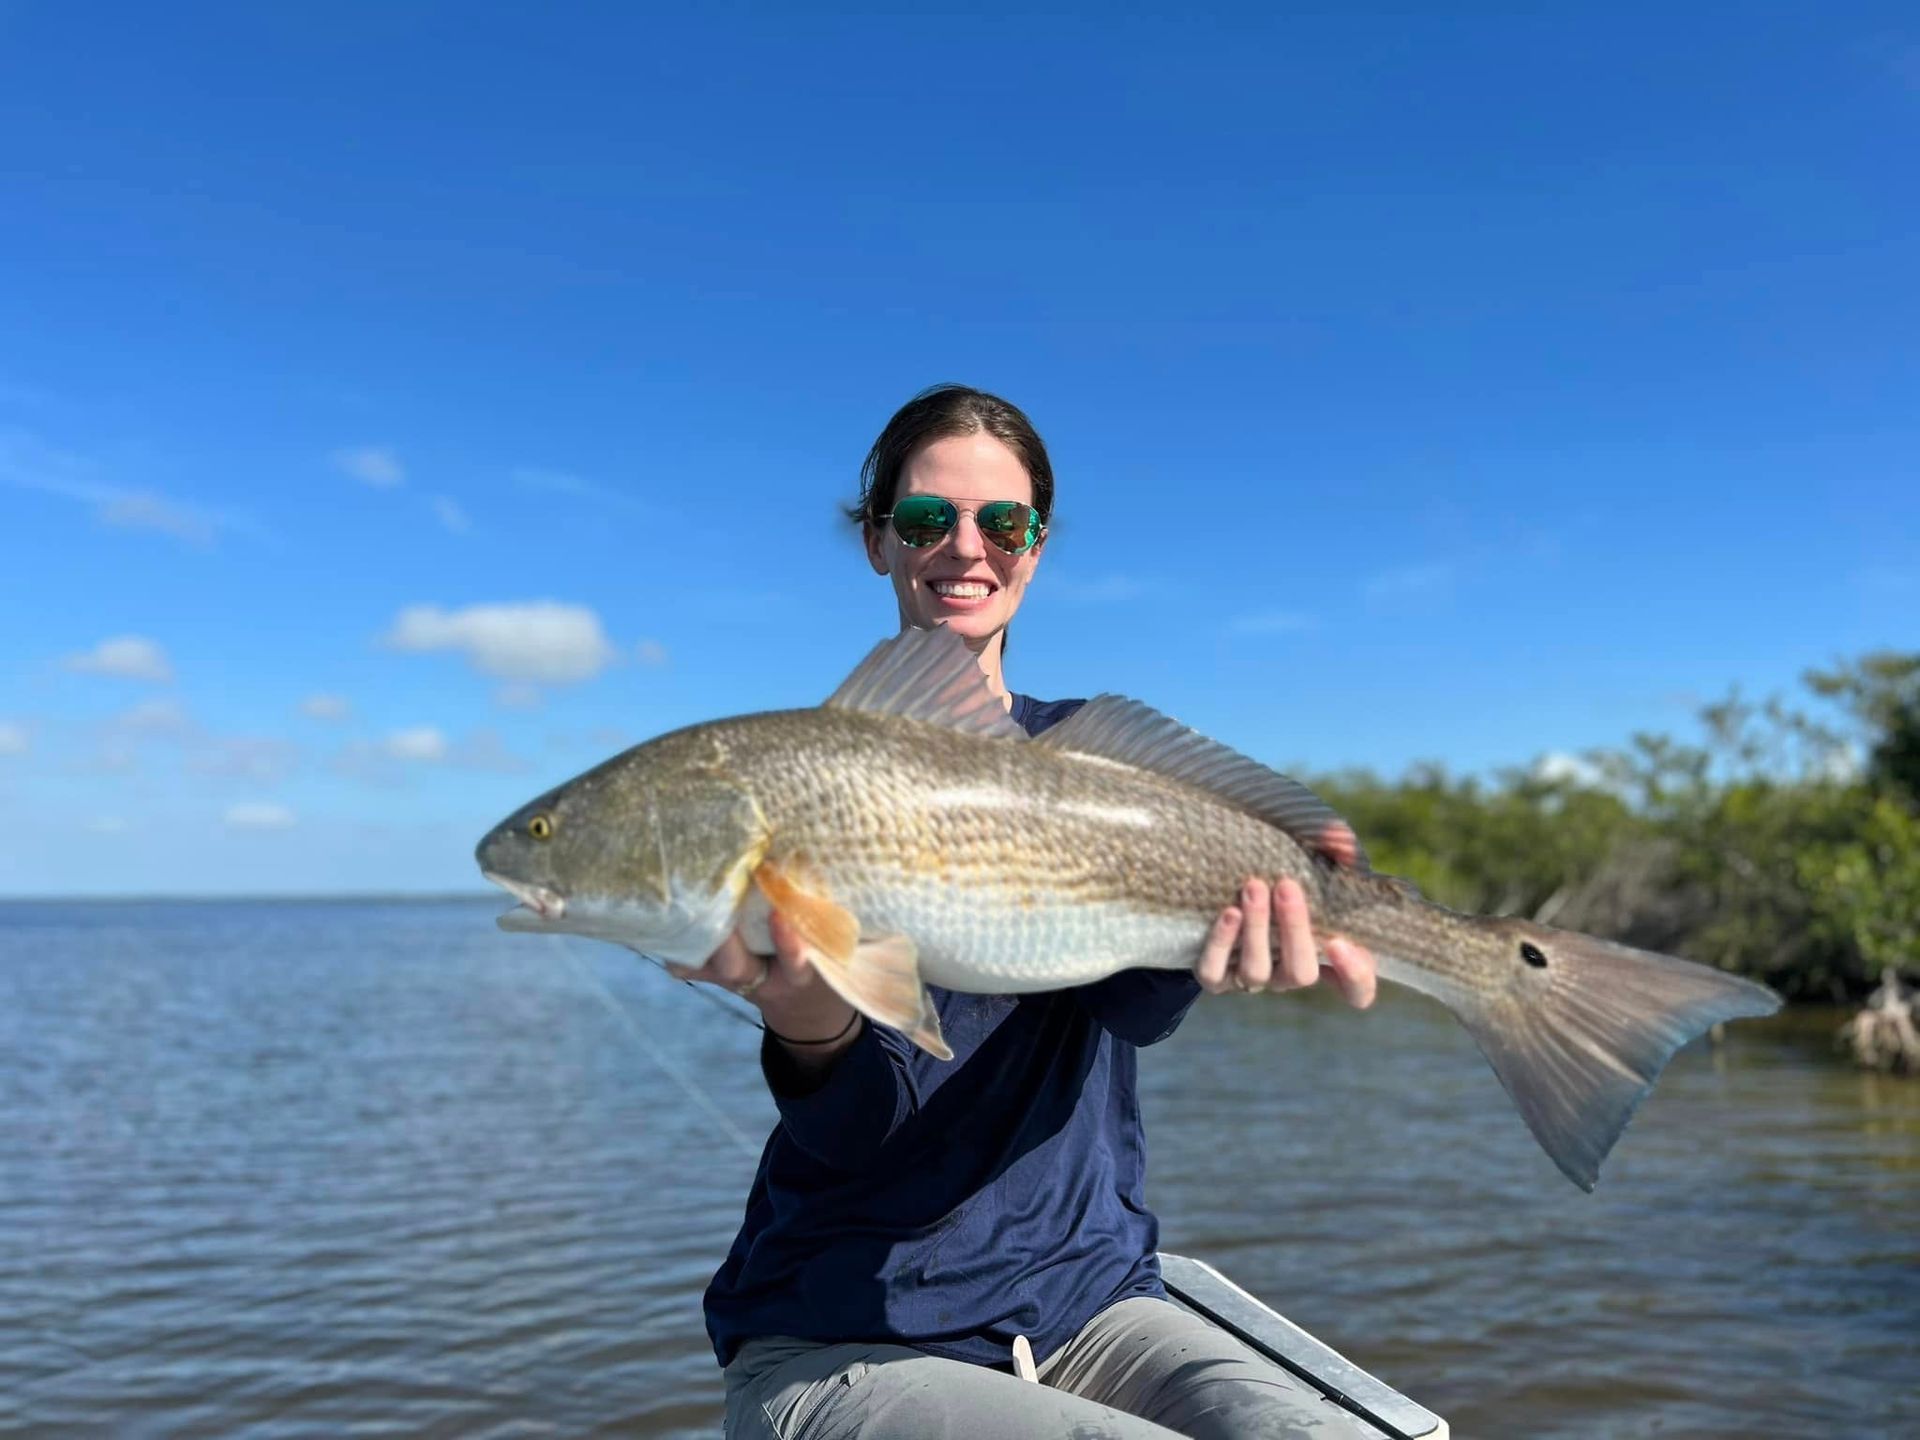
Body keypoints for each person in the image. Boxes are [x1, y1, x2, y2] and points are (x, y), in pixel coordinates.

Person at [670, 386, 1381, 1439]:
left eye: (1002, 522)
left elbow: (1131, 1013)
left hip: (1092, 1308)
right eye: (925, 520)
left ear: (1036, 548)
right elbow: (864, 1127)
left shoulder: (1094, 763)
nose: (966, 547)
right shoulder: (803, 785)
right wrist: (808, 1027)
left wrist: (1229, 937)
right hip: (850, 1332)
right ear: (877, 541)